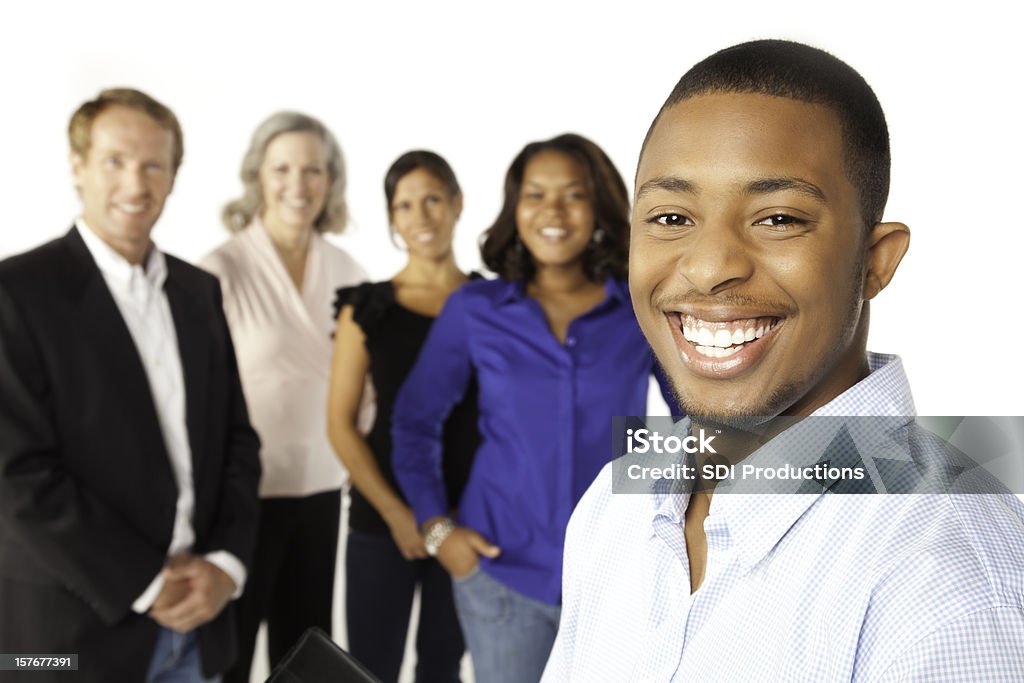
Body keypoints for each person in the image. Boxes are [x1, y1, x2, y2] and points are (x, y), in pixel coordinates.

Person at [542, 40, 1024, 682]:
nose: (709, 267)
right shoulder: (613, 503)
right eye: (670, 216)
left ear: (876, 261)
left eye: (777, 218)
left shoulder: (946, 576)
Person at [391, 134, 675, 683]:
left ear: (598, 206)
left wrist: (655, 509)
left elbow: (692, 422)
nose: (553, 212)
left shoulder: (640, 309)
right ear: (514, 209)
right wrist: (437, 531)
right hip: (500, 574)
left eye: (572, 195)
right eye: (535, 195)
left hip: (615, 575)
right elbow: (414, 421)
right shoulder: (475, 310)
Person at [0, 88, 261, 682]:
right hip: (64, 639)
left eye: (154, 165)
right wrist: (145, 584)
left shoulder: (199, 293)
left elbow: (238, 442)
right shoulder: (16, 292)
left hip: (200, 626)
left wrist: (224, 564)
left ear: (173, 175)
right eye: (115, 161)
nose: (136, 185)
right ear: (78, 165)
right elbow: (15, 477)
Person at [200, 111, 367, 683]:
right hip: (242, 497)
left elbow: (365, 386)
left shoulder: (347, 270)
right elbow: (195, 399)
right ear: (258, 176)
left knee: (305, 657)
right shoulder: (218, 271)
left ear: (331, 180)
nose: (298, 184)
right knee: (230, 653)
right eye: (283, 169)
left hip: (322, 491)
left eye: (313, 170)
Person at [328, 150, 478, 683]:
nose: (421, 217)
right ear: (392, 218)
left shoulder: (493, 303)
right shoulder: (367, 307)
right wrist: (397, 514)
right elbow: (340, 424)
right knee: (368, 668)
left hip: (468, 521)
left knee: (443, 667)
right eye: (405, 205)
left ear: (457, 204)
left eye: (433, 199)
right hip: (380, 518)